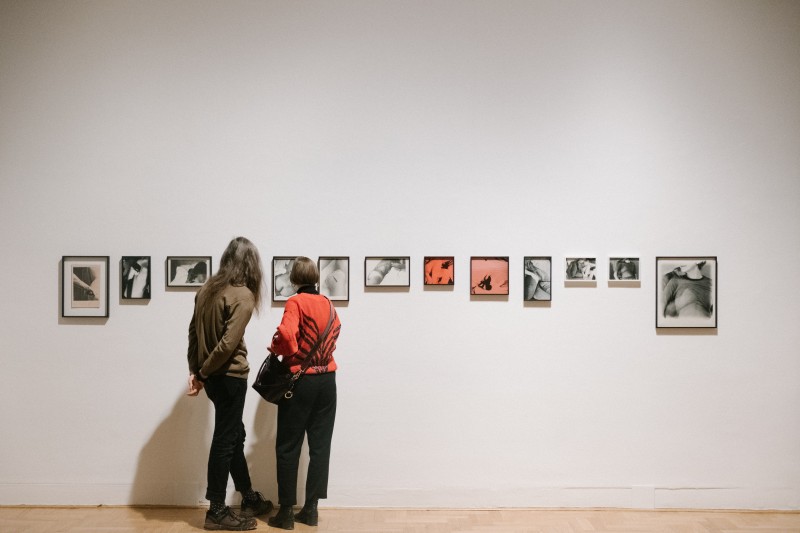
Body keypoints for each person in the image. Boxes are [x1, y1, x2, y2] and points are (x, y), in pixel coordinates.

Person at [186, 237, 273, 531]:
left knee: (234, 435)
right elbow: (227, 345)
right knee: (226, 441)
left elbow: (193, 335)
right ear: (251, 264)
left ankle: (248, 496)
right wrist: (203, 373)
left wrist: (197, 371)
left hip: (212, 380)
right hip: (229, 378)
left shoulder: (207, 290)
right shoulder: (243, 295)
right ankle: (217, 510)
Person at [268, 257, 341, 530]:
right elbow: (336, 330)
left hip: (301, 381)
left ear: (294, 278)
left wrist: (278, 348)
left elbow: (287, 335)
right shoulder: (329, 304)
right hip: (327, 381)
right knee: (320, 447)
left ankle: (286, 512)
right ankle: (311, 510)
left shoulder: (295, 302)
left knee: (288, 445)